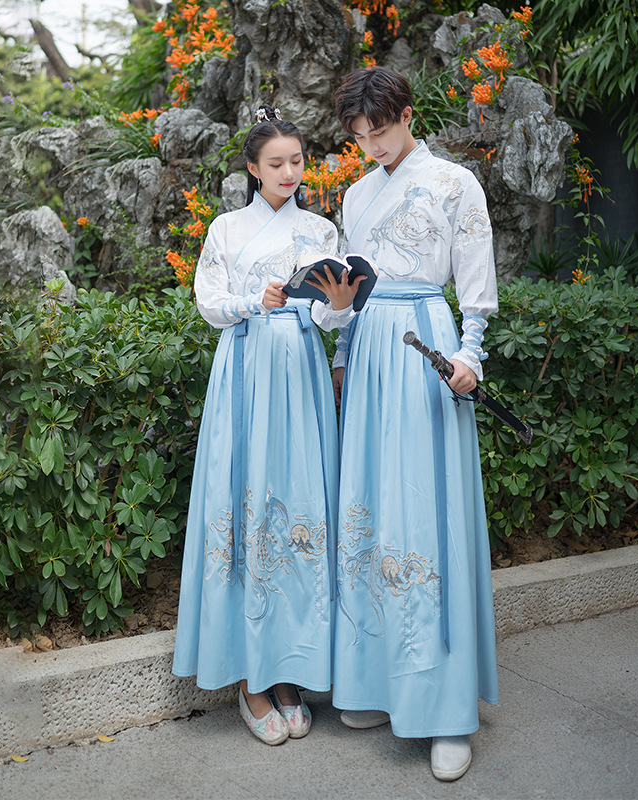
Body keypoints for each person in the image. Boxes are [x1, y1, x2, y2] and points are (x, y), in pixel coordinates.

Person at [316, 66, 500, 781]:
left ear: (408, 115)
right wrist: (340, 352)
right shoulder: (357, 195)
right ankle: (375, 683)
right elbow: (351, 288)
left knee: (428, 515)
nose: (372, 147)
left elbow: (475, 284)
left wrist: (470, 356)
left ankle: (446, 710)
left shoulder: (456, 183)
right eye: (360, 137)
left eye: (381, 131)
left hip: (426, 345)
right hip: (368, 354)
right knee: (370, 508)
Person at [172, 105, 363, 746]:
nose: (288, 172)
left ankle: (288, 672)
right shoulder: (227, 229)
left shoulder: (320, 229)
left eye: (297, 161)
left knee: (300, 507)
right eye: (275, 163)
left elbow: (330, 318)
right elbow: (208, 303)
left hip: (302, 375)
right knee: (247, 506)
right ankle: (252, 679)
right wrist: (255, 301)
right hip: (247, 373)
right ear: (253, 169)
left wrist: (338, 307)